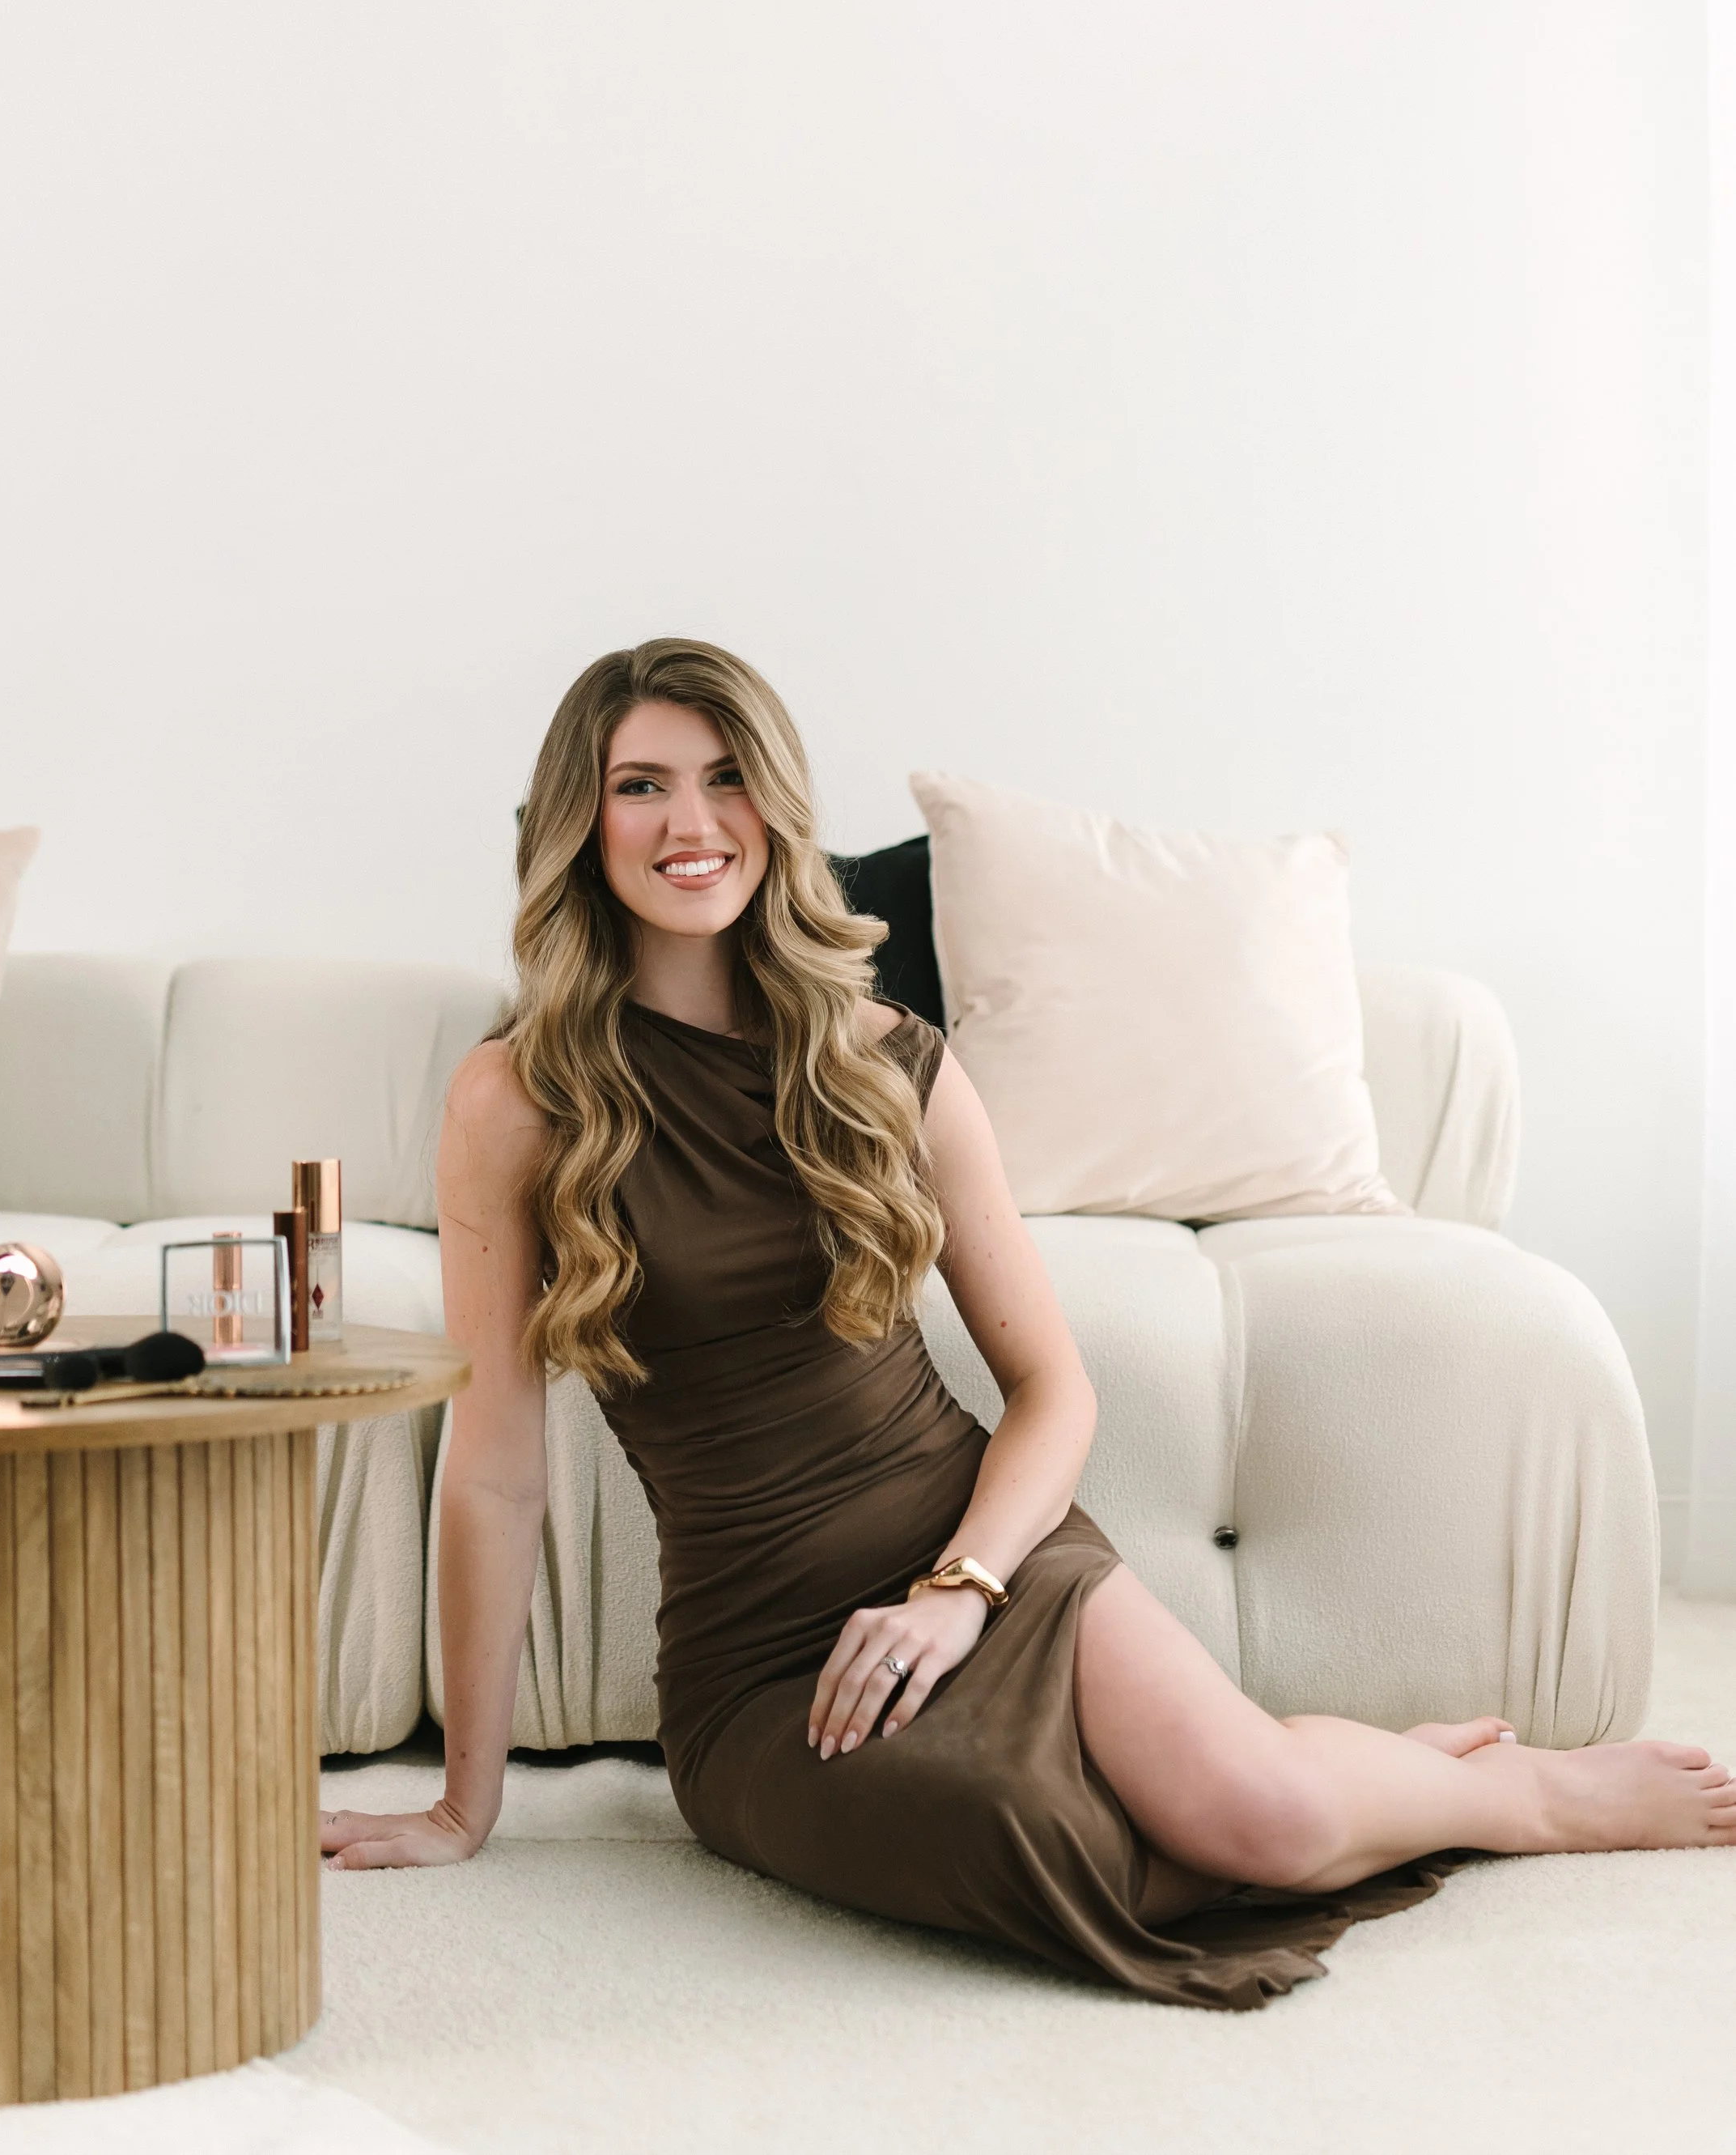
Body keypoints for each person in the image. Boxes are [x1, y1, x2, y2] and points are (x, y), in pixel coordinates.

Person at [321, 639, 1734, 2005]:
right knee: (1041, 1847)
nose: (691, 822)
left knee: (1265, 1825)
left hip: (981, 1551)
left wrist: (959, 1589)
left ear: (776, 805)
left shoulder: (887, 1063)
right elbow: (496, 1467)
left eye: (725, 776)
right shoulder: (515, 1101)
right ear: (584, 818)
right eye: (641, 784)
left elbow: (1051, 1387)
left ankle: (1501, 1793)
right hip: (760, 1663)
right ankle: (1366, 1774)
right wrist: (465, 1800)